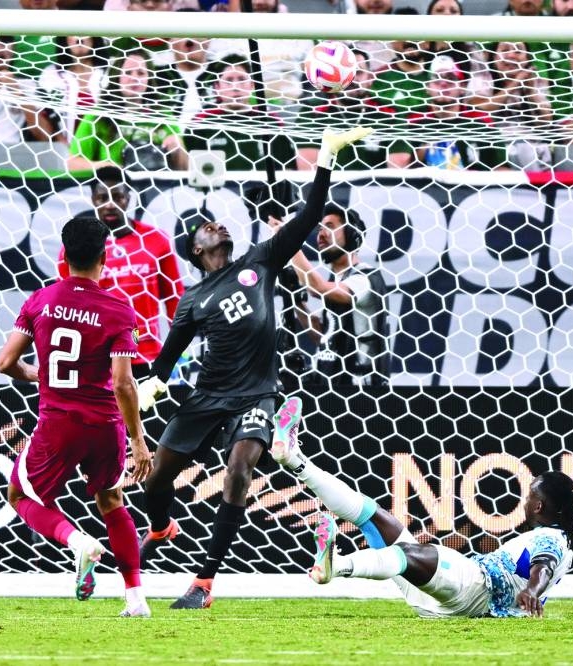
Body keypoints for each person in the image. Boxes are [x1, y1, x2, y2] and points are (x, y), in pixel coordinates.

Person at [134, 126, 372, 610]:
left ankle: (203, 582)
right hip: (206, 397)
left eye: (219, 224)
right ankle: (161, 525)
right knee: (155, 482)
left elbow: (308, 216)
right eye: (207, 228)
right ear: (196, 250)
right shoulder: (192, 300)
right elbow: (165, 361)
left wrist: (325, 156)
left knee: (239, 470)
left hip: (257, 394)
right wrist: (150, 388)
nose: (218, 226)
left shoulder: (259, 260)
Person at [270, 396, 573, 618]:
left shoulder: (552, 539)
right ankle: (294, 460)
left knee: (407, 553)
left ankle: (336, 567)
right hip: (443, 603)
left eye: (529, 495)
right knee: (374, 518)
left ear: (538, 505)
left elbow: (543, 565)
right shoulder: (558, 540)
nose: (523, 500)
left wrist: (533, 591)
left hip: (475, 589)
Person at [0, 215, 154, 618]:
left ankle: (77, 542)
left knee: (19, 494)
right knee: (112, 500)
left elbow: (5, 362)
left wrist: (38, 374)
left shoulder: (40, 301)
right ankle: (135, 598)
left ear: (63, 256)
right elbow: (123, 383)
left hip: (59, 423)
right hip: (105, 425)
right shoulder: (120, 309)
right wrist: (138, 441)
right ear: (105, 258)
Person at [56, 167, 184, 377]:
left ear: (128, 198)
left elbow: (174, 301)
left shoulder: (156, 240)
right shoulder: (75, 247)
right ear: (93, 199)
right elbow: (65, 305)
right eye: (102, 197)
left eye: (117, 196)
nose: (110, 204)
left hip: (146, 354)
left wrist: (178, 351)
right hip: (96, 356)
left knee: (143, 410)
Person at [278, 204, 391, 388]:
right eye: (320, 228)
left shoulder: (366, 279)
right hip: (331, 385)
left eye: (330, 227)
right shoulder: (338, 279)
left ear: (352, 234)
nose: (321, 234)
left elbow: (317, 287)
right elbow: (324, 336)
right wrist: (295, 299)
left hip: (361, 393)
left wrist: (287, 239)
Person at [67, 49, 187, 172]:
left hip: (157, 187)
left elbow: (185, 170)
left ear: (149, 78)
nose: (134, 78)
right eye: (128, 72)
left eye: (141, 73)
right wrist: (109, 169)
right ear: (116, 76)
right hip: (112, 187)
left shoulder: (163, 115)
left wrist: (177, 149)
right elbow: (73, 163)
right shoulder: (97, 115)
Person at [296, 49, 410, 170]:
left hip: (377, 187)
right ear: (331, 78)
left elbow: (397, 172)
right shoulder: (313, 114)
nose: (351, 79)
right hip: (328, 187)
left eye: (358, 72)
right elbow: (308, 172)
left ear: (370, 78)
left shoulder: (390, 114)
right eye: (344, 73)